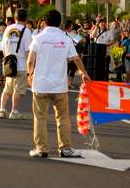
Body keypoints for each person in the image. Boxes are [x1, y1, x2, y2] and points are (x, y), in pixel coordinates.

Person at [27, 9, 90, 159]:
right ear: (59, 23)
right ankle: (65, 148)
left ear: (45, 22)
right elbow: (76, 58)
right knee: (62, 117)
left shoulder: (38, 38)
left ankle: (41, 149)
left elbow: (30, 60)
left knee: (40, 117)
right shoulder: (65, 39)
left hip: (40, 84)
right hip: (59, 86)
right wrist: (84, 73)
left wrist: (30, 74)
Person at [0, 9, 32, 120]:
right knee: (19, 90)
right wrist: (31, 67)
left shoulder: (8, 29)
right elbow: (28, 51)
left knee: (7, 89)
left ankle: (2, 110)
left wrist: (7, 59)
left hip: (9, 63)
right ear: (26, 19)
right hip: (21, 64)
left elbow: (3, 47)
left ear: (15, 18)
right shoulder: (27, 31)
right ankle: (14, 111)